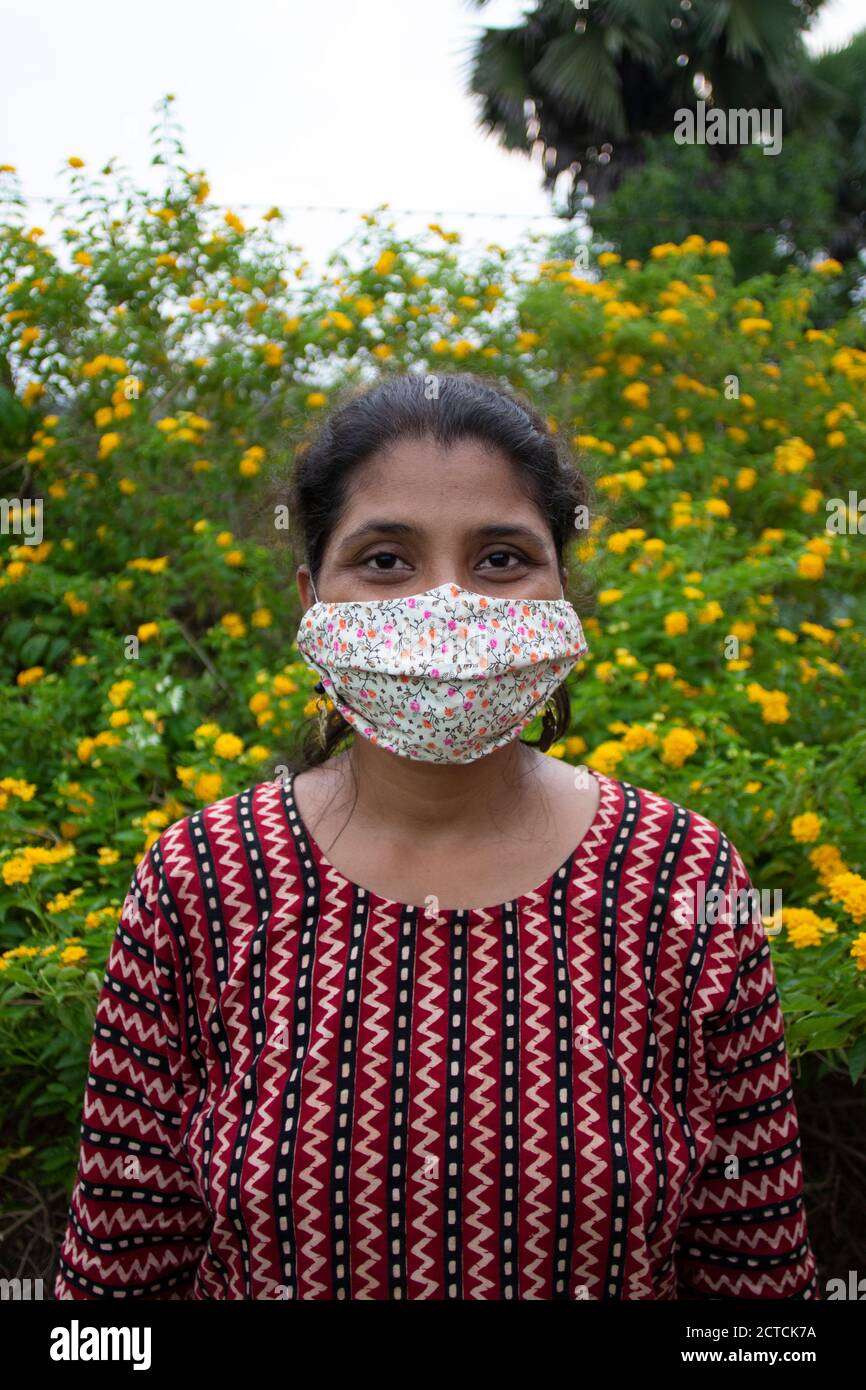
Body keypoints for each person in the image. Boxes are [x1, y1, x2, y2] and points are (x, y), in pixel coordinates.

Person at [54, 372, 819, 1300]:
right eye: (385, 560)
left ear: (560, 592)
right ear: (311, 598)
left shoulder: (682, 879)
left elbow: (762, 1293)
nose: (447, 603)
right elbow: (114, 1293)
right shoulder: (204, 882)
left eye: (501, 558)